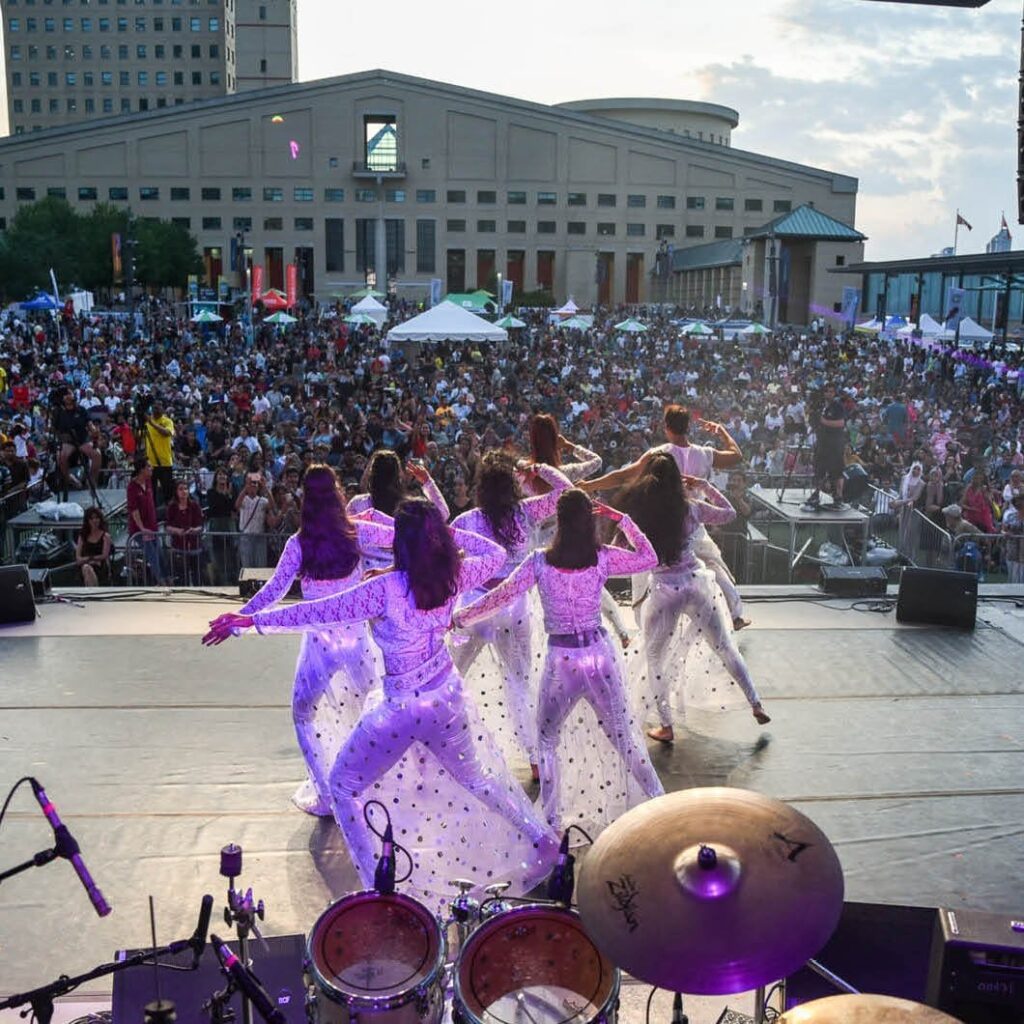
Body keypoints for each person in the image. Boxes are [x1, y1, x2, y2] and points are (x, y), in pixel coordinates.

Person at [204, 499, 558, 908]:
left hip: (402, 708)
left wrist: (252, 622)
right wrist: (441, 531)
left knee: (343, 785)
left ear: (397, 543)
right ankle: (543, 841)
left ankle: (379, 887)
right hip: (447, 698)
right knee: (478, 779)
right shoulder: (453, 573)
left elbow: (317, 611)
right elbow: (495, 554)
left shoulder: (383, 589)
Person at [455, 489, 664, 834]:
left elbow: (503, 593)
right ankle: (658, 798)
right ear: (590, 520)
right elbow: (649, 557)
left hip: (562, 660)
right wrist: (621, 519)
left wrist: (462, 616)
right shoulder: (603, 557)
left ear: (558, 523)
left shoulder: (539, 561)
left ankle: (552, 822)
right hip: (599, 654)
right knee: (623, 734)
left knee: (547, 740)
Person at [222, 465, 394, 814]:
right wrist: (384, 524)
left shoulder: (299, 543)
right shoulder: (357, 531)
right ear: (337, 494)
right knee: (372, 710)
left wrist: (245, 616)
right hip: (357, 640)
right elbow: (403, 536)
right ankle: (372, 782)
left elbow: (274, 590)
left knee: (303, 712)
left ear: (305, 497)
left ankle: (328, 792)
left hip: (320, 645)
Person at [620, 454, 770, 743]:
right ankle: (756, 703)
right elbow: (729, 514)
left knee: (654, 656)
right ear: (678, 480)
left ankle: (666, 725)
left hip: (664, 589)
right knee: (725, 646)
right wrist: (704, 485)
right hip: (696, 583)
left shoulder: (641, 515)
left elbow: (627, 550)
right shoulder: (691, 508)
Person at [450, 452, 572, 776]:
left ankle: (443, 751)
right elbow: (568, 492)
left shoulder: (466, 521)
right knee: (519, 682)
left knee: (449, 678)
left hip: (474, 607)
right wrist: (536, 467)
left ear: (480, 488)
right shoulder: (526, 513)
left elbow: (441, 554)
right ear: (512, 485)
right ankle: (534, 759)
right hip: (514, 605)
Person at [580, 404, 749, 630]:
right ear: (688, 427)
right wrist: (721, 431)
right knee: (713, 565)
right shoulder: (705, 454)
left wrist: (590, 484)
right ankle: (736, 614)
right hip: (693, 520)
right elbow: (736, 455)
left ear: (666, 427)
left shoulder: (659, 454)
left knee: (644, 571)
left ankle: (644, 622)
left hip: (662, 524)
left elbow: (622, 476)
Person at [347, 449, 449, 567]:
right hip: (400, 573)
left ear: (370, 475)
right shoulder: (410, 507)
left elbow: (344, 533)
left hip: (366, 574)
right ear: (399, 476)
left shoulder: (358, 504)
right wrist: (427, 482)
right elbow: (443, 514)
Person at [806, 384, 847, 509]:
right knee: (819, 470)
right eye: (827, 391)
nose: (829, 394)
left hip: (835, 444)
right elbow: (814, 422)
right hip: (822, 443)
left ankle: (838, 496)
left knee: (836, 472)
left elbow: (841, 423)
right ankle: (816, 493)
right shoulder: (821, 406)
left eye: (831, 391)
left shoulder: (837, 407)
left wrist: (823, 421)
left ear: (834, 394)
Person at [127, 457, 165, 584]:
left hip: (152, 527)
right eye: (148, 466)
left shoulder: (149, 483)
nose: (151, 468)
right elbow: (134, 510)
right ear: (141, 469)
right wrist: (142, 528)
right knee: (152, 556)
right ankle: (161, 582)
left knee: (160, 555)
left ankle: (165, 579)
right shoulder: (132, 487)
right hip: (140, 530)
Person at [54, 390, 101, 491]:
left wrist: (93, 430)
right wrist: (61, 437)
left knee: (97, 454)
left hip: (82, 440)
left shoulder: (81, 409)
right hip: (68, 442)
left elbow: (89, 423)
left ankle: (92, 481)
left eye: (69, 393)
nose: (67, 396)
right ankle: (71, 479)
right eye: (65, 395)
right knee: (60, 457)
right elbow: (55, 430)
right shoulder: (59, 412)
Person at [235, 471, 278, 568]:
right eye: (252, 483)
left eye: (255, 483)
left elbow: (272, 505)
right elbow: (237, 505)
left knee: (260, 565)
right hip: (246, 536)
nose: (253, 485)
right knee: (247, 565)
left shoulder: (262, 500)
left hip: (259, 536)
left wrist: (265, 487)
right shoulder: (244, 499)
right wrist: (246, 487)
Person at [165, 479, 204, 584]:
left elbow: (200, 526)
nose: (184, 491)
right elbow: (167, 526)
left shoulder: (195, 505)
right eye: (181, 489)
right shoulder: (172, 507)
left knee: (197, 577)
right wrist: (177, 530)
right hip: (178, 547)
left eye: (186, 489)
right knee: (181, 578)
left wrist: (194, 530)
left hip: (194, 546)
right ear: (176, 492)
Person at [206, 466, 238, 585]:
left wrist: (228, 496)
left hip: (228, 526)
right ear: (216, 478)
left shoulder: (232, 491)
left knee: (230, 557)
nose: (222, 476)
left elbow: (233, 508)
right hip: (216, 526)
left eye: (224, 474)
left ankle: (231, 582)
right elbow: (215, 507)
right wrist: (226, 497)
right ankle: (221, 583)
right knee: (218, 558)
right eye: (219, 474)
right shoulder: (211, 492)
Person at [144, 401, 176, 505]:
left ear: (162, 409)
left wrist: (152, 423)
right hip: (151, 465)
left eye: (158, 407)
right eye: (154, 408)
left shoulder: (167, 421)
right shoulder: (146, 423)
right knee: (150, 494)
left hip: (165, 463)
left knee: (168, 494)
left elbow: (167, 433)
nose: (156, 410)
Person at [75, 506, 112, 587]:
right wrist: (90, 559)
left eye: (96, 518)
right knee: (86, 568)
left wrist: (93, 559)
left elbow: (104, 555)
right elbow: (78, 557)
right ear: (88, 521)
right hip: (85, 564)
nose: (94, 521)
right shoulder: (82, 536)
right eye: (91, 518)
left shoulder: (105, 536)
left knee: (88, 569)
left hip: (100, 566)